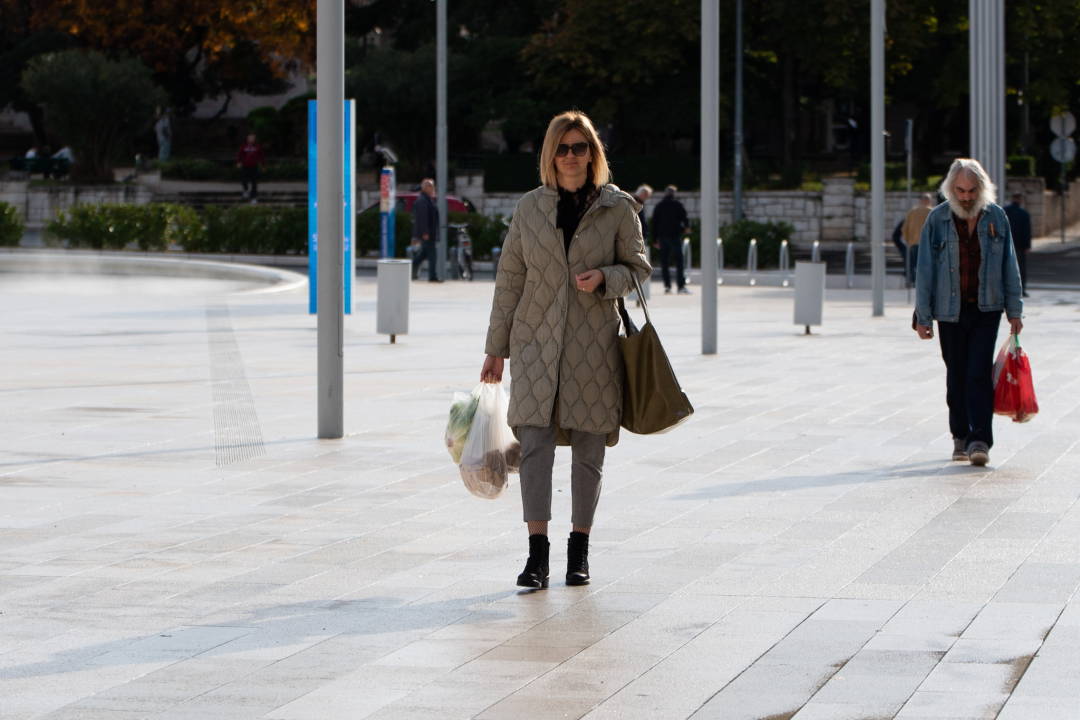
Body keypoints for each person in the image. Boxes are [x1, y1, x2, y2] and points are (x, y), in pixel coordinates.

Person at [480, 110, 651, 589]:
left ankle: (580, 552)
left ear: (593, 154)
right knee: (533, 445)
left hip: (593, 344)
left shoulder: (617, 208)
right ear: (549, 155)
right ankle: (537, 555)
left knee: (589, 450)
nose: (571, 156)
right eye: (563, 147)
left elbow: (639, 270)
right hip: (534, 341)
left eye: (580, 147)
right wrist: (496, 348)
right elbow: (509, 280)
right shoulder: (530, 208)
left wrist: (605, 279)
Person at [914, 158, 1023, 467]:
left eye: (972, 191)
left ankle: (980, 440)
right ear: (950, 189)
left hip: (986, 309)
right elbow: (925, 272)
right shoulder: (936, 220)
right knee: (957, 375)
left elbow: (1009, 267)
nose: (965, 197)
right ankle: (959, 437)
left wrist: (1015, 312)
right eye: (960, 191)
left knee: (978, 373)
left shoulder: (997, 218)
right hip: (949, 313)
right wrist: (923, 317)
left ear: (982, 189)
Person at [651, 185, 691, 294]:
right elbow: (685, 217)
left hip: (662, 237)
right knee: (679, 262)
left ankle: (667, 286)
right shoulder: (677, 204)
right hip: (674, 236)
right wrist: (687, 227)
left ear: (665, 193)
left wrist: (654, 239)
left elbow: (654, 223)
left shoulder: (659, 205)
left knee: (664, 262)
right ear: (674, 194)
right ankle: (681, 285)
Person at [410, 179, 441, 282]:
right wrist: (425, 232)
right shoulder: (423, 200)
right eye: (432, 186)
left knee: (423, 254)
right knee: (432, 255)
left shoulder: (427, 199)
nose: (433, 189)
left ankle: (408, 270)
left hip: (430, 233)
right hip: (428, 234)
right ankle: (432, 276)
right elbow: (423, 219)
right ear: (425, 188)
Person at [1003, 192, 1032, 297]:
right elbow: (1026, 230)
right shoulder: (1023, 213)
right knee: (1020, 268)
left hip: (1005, 243)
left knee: (1005, 267)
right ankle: (1021, 289)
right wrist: (1027, 245)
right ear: (1020, 199)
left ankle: (1006, 288)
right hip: (1019, 244)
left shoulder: (1005, 211)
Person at [902, 193, 934, 284]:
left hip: (913, 242)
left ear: (921, 201)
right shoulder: (932, 211)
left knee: (912, 264)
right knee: (926, 265)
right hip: (928, 244)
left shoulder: (912, 211)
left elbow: (905, 229)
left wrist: (908, 241)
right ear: (929, 201)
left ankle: (911, 281)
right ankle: (925, 282)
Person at [236, 134, 266, 204]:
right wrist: (238, 162)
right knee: (244, 180)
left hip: (254, 167)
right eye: (250, 138)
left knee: (254, 183)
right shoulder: (244, 147)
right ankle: (245, 190)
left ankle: (253, 197)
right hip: (246, 167)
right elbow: (240, 155)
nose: (251, 139)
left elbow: (262, 156)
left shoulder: (258, 147)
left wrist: (263, 165)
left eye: (253, 138)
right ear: (247, 138)